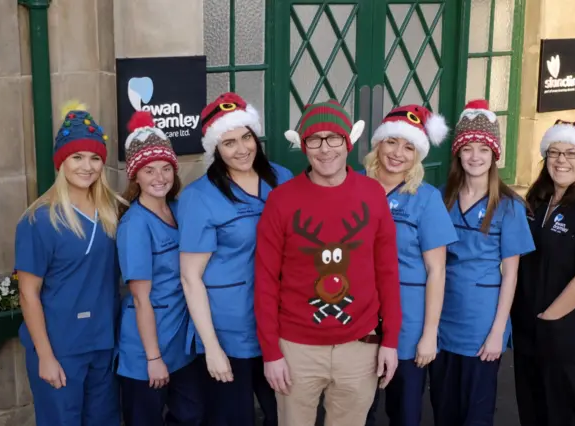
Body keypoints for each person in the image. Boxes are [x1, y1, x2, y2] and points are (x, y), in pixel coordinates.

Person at [255, 99, 402, 426]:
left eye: (333, 137)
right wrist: (271, 352)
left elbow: (387, 272)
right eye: (314, 139)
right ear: (303, 145)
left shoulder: (373, 194)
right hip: (296, 349)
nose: (325, 149)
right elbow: (265, 280)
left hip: (359, 346)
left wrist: (390, 341)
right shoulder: (281, 201)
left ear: (347, 141)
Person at [178, 93, 293, 426]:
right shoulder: (200, 197)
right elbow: (190, 277)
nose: (242, 149)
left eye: (246, 137)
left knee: (286, 416)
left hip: (281, 325)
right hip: (229, 331)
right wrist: (211, 347)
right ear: (216, 148)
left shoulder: (282, 178)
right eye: (229, 142)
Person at [14, 101, 122, 426]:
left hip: (103, 344)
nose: (86, 167)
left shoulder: (114, 214)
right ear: (61, 162)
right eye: (77, 157)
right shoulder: (38, 220)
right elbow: (28, 294)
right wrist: (45, 356)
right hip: (60, 346)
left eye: (95, 158)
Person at [429, 99, 535, 426]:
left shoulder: (509, 207)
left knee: (475, 413)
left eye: (484, 150)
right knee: (443, 406)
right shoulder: (441, 197)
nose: (475, 156)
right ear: (458, 153)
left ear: (494, 156)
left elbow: (512, 273)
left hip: (481, 323)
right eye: (468, 148)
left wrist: (498, 330)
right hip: (443, 319)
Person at [511, 119, 575, 426]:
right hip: (529, 328)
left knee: (564, 415)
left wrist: (549, 319)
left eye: (571, 153)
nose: (561, 160)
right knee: (532, 411)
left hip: (566, 332)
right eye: (554, 152)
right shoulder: (538, 199)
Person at [362, 105, 457, 426]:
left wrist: (429, 334)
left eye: (409, 146)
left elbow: (437, 270)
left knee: (403, 411)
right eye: (392, 142)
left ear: (418, 155)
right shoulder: (355, 188)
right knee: (358, 408)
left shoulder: (426, 198)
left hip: (409, 319)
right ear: (378, 144)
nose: (397, 153)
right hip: (358, 315)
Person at [115, 111, 203, 425]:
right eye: (149, 170)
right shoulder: (135, 225)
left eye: (166, 168)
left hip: (182, 343)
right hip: (147, 348)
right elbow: (140, 299)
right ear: (134, 176)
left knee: (192, 415)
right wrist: (153, 358)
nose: (159, 177)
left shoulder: (180, 209)